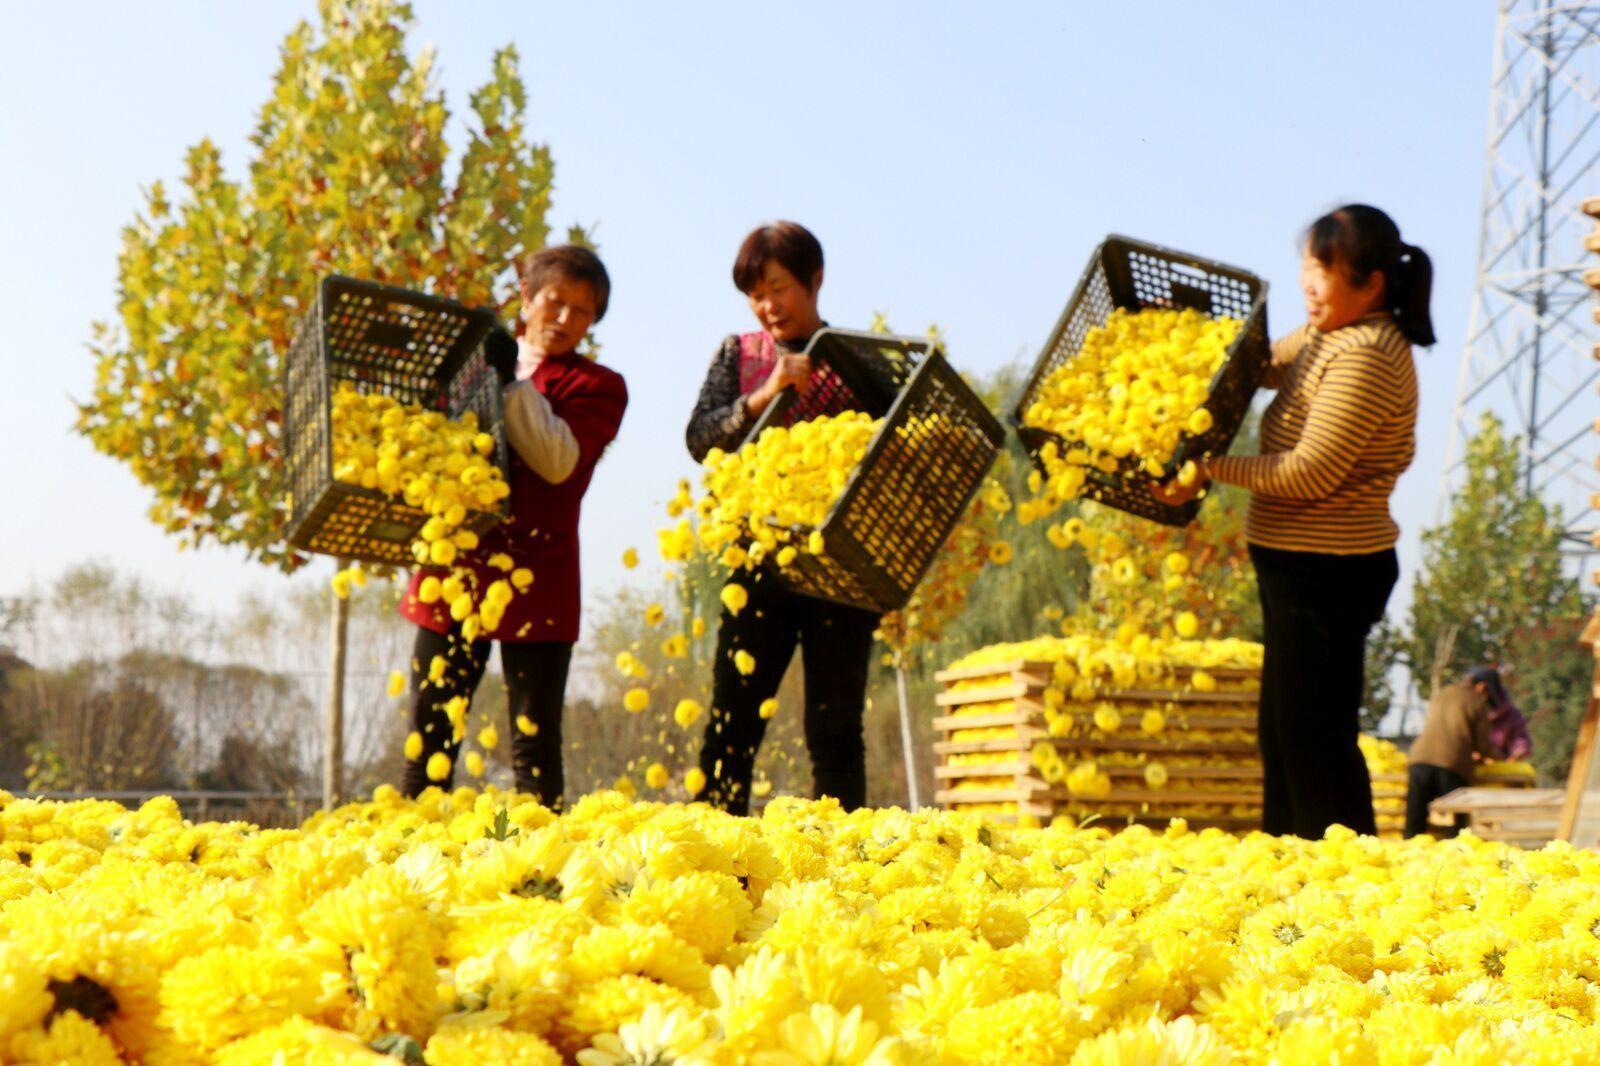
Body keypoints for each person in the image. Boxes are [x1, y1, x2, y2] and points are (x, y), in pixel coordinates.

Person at [1157, 204, 1434, 838]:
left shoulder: (1366, 354)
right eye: (1306, 268)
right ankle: (1296, 865)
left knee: (1313, 739)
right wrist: (1191, 342)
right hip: (1297, 565)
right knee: (1287, 733)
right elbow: (1258, 367)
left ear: (1371, 285)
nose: (1308, 285)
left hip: (1329, 570)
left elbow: (1308, 473)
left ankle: (1338, 874)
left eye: (1324, 272)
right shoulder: (1328, 335)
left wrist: (1209, 469)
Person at [398, 245, 628, 806]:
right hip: (453, 571)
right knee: (430, 736)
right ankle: (407, 863)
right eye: (556, 301)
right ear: (526, 298)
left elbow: (558, 463)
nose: (566, 318)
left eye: (583, 310)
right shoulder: (464, 363)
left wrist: (510, 385)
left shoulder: (597, 386)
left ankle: (539, 872)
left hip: (538, 576)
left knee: (534, 743)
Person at [685, 221, 880, 815]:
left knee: (835, 728)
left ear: (814, 281)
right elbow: (699, 438)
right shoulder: (737, 354)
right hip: (758, 563)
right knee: (732, 720)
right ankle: (713, 853)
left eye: (778, 287)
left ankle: (846, 866)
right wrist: (764, 394)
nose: (767, 305)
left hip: (839, 570)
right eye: (755, 292)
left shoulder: (855, 361)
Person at [1404, 667, 1517, 837]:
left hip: (1419, 758)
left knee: (1415, 816)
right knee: (1455, 823)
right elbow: (1483, 745)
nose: (1486, 699)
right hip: (1452, 763)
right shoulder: (1476, 701)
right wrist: (1501, 758)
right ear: (1482, 686)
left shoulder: (1443, 692)